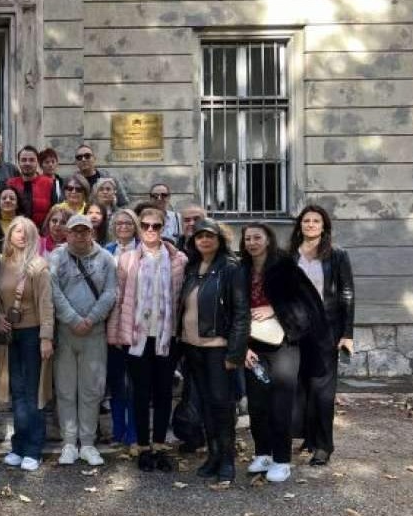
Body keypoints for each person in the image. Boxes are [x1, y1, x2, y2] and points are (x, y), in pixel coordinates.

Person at [240, 223, 325, 483]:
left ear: (268, 240)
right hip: (252, 346)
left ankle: (281, 459)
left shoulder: (285, 267)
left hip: (284, 344)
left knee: (281, 404)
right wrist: (240, 346)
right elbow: (232, 309)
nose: (252, 242)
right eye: (247, 239)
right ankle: (263, 454)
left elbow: (308, 303)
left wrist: (273, 308)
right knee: (256, 403)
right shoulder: (240, 270)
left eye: (257, 237)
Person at [107, 207, 188, 472]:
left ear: (164, 228)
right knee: (139, 393)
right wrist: (116, 333)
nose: (151, 230)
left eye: (156, 225)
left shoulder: (179, 260)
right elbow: (118, 300)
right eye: (146, 225)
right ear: (139, 227)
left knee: (164, 393)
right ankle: (142, 446)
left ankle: (160, 446)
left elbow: (182, 300)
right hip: (137, 337)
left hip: (167, 336)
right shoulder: (127, 259)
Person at [178, 218, 250, 486]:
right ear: (193, 241)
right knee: (206, 405)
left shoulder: (231, 268)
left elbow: (242, 314)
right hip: (192, 347)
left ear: (219, 240)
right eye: (199, 237)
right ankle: (214, 455)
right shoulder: (192, 267)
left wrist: (235, 353)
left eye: (210, 236)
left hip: (218, 349)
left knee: (222, 405)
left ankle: (228, 460)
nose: (204, 240)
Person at [290, 205, 355, 466]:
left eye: (316, 221)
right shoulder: (290, 256)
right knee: (302, 387)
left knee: (323, 390)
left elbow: (347, 294)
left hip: (326, 331)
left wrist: (347, 334)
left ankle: (324, 445)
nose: (311, 225)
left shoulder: (337, 255)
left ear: (324, 226)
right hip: (296, 331)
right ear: (300, 225)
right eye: (306, 220)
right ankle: (309, 437)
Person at [50, 214, 117, 466]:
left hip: (94, 333)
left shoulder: (106, 259)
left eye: (84, 231)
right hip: (66, 333)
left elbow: (111, 292)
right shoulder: (56, 257)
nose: (80, 235)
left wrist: (91, 318)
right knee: (66, 389)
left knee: (91, 389)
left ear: (92, 233)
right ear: (67, 233)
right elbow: (53, 291)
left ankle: (88, 443)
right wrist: (72, 319)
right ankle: (69, 443)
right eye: (75, 231)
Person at [0, 216, 54, 472]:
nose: (22, 235)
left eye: (27, 231)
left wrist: (46, 337)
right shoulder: (0, 264)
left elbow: (46, 305)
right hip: (9, 336)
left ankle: (33, 449)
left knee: (33, 393)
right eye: (17, 230)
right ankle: (18, 446)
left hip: (32, 334)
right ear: (9, 235)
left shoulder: (39, 266)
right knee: (16, 392)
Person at [103, 208, 140, 448]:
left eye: (128, 223)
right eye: (119, 223)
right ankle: (118, 431)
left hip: (137, 324)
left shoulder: (143, 251)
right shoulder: (106, 251)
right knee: (116, 380)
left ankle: (134, 432)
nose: (123, 227)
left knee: (136, 382)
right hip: (110, 324)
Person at [7, 145, 56, 227]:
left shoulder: (48, 183)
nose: (27, 163)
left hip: (42, 234)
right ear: (18, 162)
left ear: (37, 162)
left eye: (31, 160)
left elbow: (54, 211)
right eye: (24, 160)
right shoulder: (11, 184)